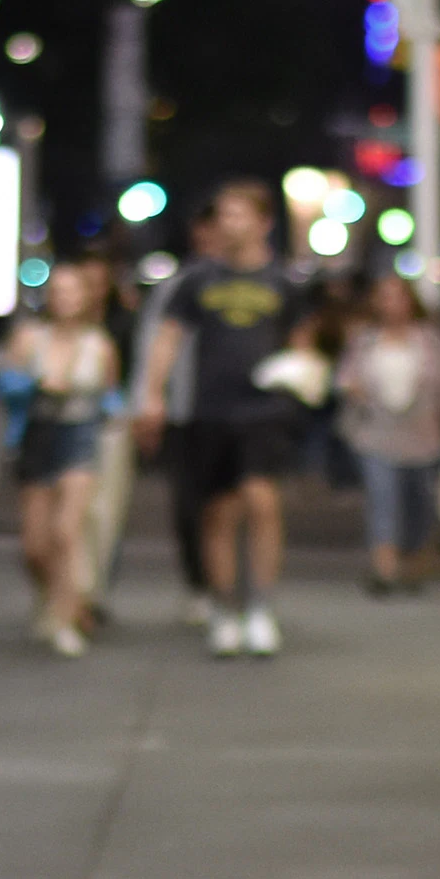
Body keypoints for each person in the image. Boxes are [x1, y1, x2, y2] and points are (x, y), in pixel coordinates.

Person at [132, 178, 311, 659]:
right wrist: (153, 395)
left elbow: (302, 343)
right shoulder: (197, 281)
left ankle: (261, 606)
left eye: (240, 213)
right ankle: (224, 606)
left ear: (264, 223)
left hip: (264, 410)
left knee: (261, 500)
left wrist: (303, 377)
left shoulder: (283, 283)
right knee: (217, 511)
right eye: (224, 214)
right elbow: (167, 337)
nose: (230, 222)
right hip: (211, 410)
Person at [333, 267, 440, 597]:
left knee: (419, 503)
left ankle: (414, 560)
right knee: (382, 501)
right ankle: (384, 566)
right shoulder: (365, 340)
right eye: (384, 298)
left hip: (423, 437)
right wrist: (351, 389)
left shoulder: (431, 341)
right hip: (376, 434)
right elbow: (344, 376)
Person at [1, 257, 117, 655]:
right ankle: (50, 595)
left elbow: (110, 396)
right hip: (38, 435)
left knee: (67, 531)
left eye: (73, 291)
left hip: (79, 436)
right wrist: (37, 385)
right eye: (59, 291)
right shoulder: (30, 339)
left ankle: (67, 616)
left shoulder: (99, 345)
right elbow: (7, 386)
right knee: (35, 543)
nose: (65, 299)